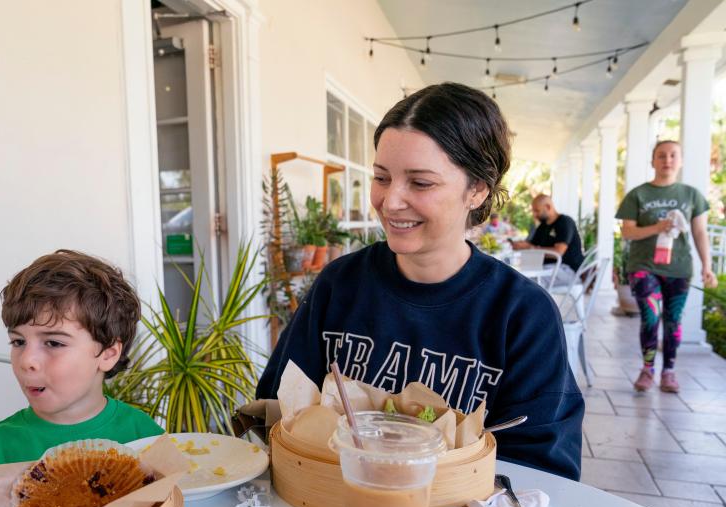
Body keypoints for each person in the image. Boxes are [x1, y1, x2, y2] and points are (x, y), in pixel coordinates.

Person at [256, 83, 584, 481]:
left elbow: (542, 471)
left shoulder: (521, 314)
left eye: (421, 182)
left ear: (477, 189)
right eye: (381, 177)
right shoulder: (339, 285)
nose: (390, 201)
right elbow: (274, 413)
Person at [0, 250, 163, 484]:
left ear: (108, 354)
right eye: (18, 342)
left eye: (54, 342)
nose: (26, 360)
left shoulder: (144, 436)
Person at [617, 140, 719, 393]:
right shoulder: (638, 194)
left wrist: (707, 266)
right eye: (661, 155)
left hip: (679, 268)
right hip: (644, 266)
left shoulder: (691, 195)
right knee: (651, 318)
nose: (667, 160)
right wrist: (658, 227)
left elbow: (699, 232)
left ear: (681, 161)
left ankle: (669, 372)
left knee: (673, 321)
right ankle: (648, 369)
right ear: (653, 161)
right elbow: (627, 231)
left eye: (673, 155)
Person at [510, 194, 584, 287]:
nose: (534, 214)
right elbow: (532, 244)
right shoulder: (543, 226)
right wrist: (521, 246)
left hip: (567, 270)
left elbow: (558, 252)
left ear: (548, 207)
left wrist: (530, 248)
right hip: (546, 268)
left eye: (537, 211)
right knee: (515, 276)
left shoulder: (565, 222)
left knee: (526, 283)